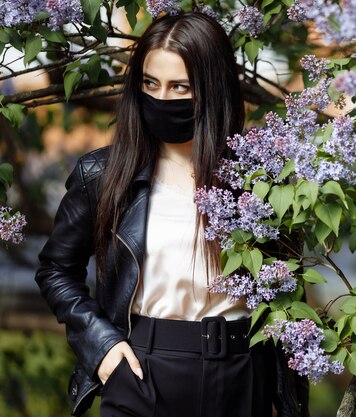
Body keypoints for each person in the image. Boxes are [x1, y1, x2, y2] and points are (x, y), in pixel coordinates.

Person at [35, 12, 308, 417]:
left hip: (242, 371)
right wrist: (101, 345)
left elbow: (287, 292)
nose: (162, 99)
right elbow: (56, 270)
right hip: (142, 370)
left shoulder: (262, 179)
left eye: (180, 86)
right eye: (150, 83)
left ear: (211, 89)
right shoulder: (102, 175)